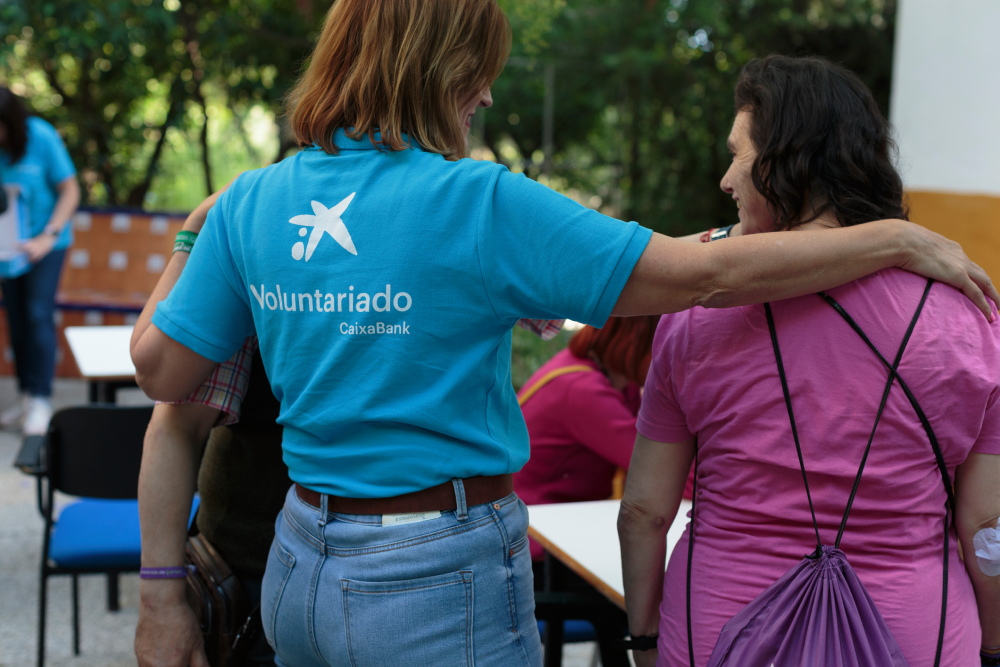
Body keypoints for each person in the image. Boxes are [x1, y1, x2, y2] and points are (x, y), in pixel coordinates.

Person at [129, 1, 997, 664]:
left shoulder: (251, 201)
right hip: (435, 576)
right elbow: (703, 274)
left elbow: (161, 375)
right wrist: (892, 236)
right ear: (438, 70)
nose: (489, 92)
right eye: (480, 69)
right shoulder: (478, 203)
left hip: (297, 565)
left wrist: (190, 238)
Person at [618, 55, 1000, 667]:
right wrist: (997, 642)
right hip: (916, 631)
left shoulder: (697, 315)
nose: (724, 179)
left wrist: (642, 638)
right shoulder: (972, 316)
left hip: (719, 628)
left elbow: (644, 511)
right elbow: (986, 524)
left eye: (737, 155)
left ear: (785, 160)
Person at [514, 315, 658, 562]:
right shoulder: (581, 388)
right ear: (641, 341)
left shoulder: (609, 378)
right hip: (536, 545)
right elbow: (658, 470)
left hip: (564, 528)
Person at [0, 87, 80, 434]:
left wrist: (48, 235)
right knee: (16, 320)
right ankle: (26, 396)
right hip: (9, 249)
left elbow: (71, 189)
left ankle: (42, 398)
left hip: (48, 243)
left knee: (36, 313)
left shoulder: (41, 136)